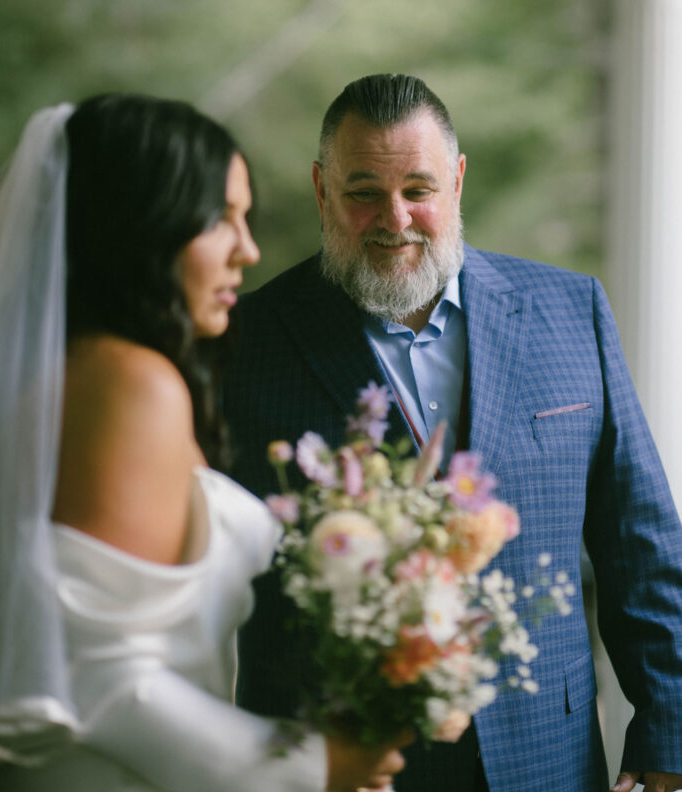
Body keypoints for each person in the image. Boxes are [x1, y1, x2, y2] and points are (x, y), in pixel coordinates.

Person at [221, 73, 682, 792]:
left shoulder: (572, 311)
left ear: (458, 181)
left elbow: (641, 542)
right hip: (337, 765)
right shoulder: (245, 342)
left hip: (549, 760)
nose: (394, 218)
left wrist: (668, 733)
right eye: (363, 191)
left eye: (419, 190)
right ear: (320, 190)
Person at [0, 93, 407, 792]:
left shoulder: (66, 374)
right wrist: (316, 765)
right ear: (143, 227)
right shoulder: (131, 382)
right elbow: (101, 680)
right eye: (222, 219)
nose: (248, 250)